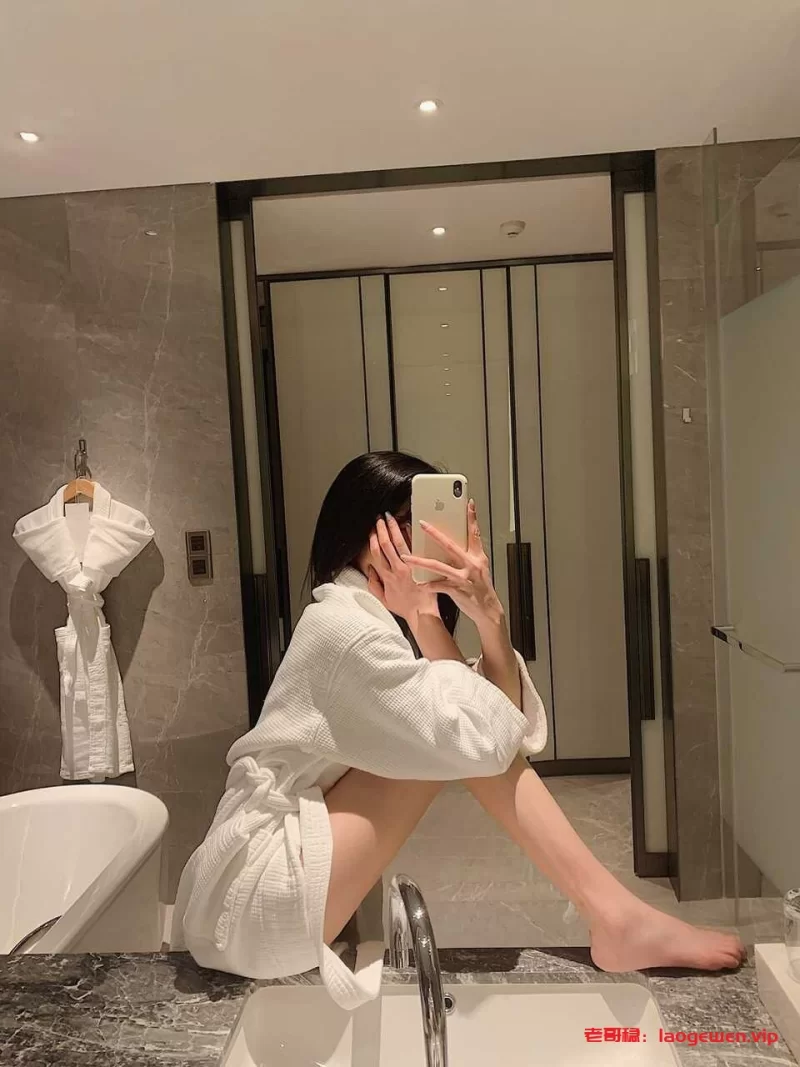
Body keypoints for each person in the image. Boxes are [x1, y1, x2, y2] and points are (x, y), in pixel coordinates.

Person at [174, 451, 745, 1010]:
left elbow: (497, 726)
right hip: (252, 904)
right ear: (360, 535)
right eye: (403, 526)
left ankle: (614, 916)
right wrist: (425, 614)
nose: (426, 542)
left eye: (433, 524)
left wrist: (488, 614)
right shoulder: (344, 629)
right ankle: (614, 915)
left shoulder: (364, 616)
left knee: (457, 731)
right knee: (459, 738)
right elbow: (486, 739)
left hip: (264, 893)